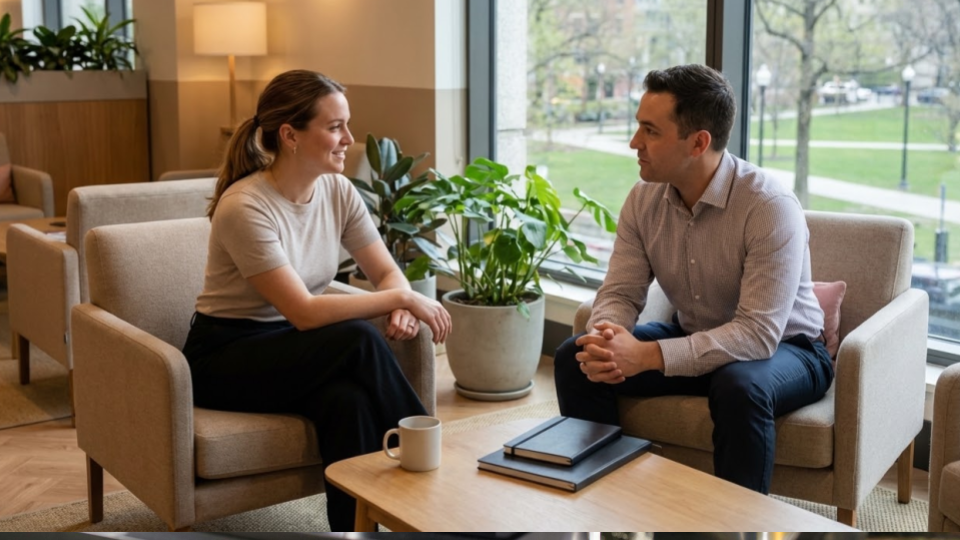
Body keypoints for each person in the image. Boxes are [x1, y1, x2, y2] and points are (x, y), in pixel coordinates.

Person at [181, 69, 452, 531]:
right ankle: (436, 485)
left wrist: (399, 298)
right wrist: (399, 297)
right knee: (359, 340)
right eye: (334, 127)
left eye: (347, 124)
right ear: (290, 135)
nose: (349, 138)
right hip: (225, 357)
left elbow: (384, 271)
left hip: (291, 348)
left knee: (346, 402)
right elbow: (305, 312)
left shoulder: (337, 190)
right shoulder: (245, 206)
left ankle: (355, 528)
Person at [554, 64, 833, 494]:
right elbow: (621, 291)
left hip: (789, 351)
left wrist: (646, 356)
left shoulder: (769, 206)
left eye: (650, 131)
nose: (634, 143)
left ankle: (737, 525)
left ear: (698, 142)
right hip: (696, 336)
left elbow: (757, 335)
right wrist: (607, 335)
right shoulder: (643, 198)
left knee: (738, 385)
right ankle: (606, 501)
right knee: (575, 358)